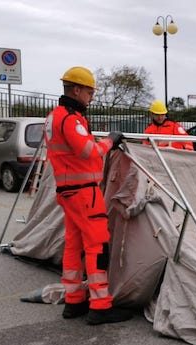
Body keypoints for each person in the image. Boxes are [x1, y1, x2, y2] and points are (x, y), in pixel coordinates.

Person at [44, 66, 131, 325]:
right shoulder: (70, 119)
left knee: (73, 245)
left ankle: (74, 301)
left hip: (68, 193)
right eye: (90, 91)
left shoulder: (53, 117)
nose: (92, 96)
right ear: (77, 90)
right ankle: (100, 306)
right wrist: (110, 141)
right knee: (97, 246)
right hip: (84, 193)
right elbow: (87, 151)